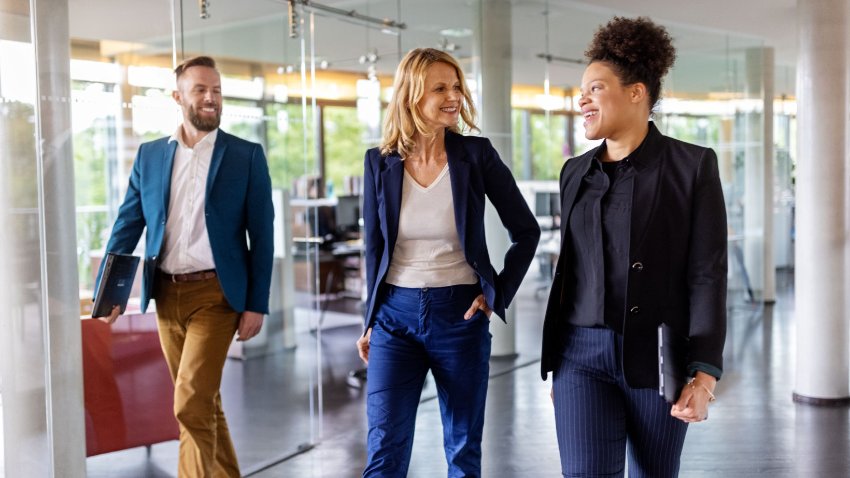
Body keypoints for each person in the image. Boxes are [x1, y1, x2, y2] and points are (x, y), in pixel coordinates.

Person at [540, 17, 727, 477]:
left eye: (595, 88)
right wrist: (561, 369)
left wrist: (704, 375)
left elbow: (706, 274)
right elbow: (574, 271)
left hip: (657, 356)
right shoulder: (574, 173)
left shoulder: (692, 167)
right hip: (579, 357)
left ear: (637, 93)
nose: (581, 99)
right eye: (580, 90)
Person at [356, 48, 540, 477]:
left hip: (460, 315)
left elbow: (526, 231)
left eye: (456, 86)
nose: (453, 96)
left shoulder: (475, 156)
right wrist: (369, 319)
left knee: (462, 450)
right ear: (412, 95)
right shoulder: (379, 162)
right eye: (440, 87)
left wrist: (496, 295)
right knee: (383, 448)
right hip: (393, 318)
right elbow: (374, 248)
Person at [95, 55, 274, 478]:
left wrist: (256, 304)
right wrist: (109, 293)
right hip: (167, 295)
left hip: (218, 295)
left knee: (189, 402)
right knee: (204, 403)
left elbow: (262, 237)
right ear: (178, 97)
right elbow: (127, 225)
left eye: (217, 90)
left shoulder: (245, 156)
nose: (211, 98)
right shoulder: (151, 155)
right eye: (201, 90)